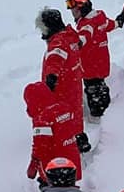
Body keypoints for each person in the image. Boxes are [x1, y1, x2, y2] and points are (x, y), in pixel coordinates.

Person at [36, 8, 89, 153]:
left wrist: (50, 79)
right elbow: (78, 43)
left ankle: (65, 144)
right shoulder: (70, 35)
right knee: (76, 110)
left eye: (43, 29)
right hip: (74, 82)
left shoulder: (57, 43)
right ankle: (79, 137)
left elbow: (55, 59)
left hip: (61, 86)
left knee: (61, 115)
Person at [67, 0, 117, 119]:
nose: (73, 13)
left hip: (90, 67)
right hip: (102, 63)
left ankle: (98, 119)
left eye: (75, 11)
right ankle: (108, 112)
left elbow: (84, 36)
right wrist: (118, 22)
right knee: (101, 88)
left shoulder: (86, 24)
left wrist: (74, 42)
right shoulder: (100, 18)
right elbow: (111, 25)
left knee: (94, 93)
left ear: (82, 10)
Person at [23, 81, 82, 186]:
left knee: (53, 190)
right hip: (71, 159)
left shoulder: (42, 119)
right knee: (69, 187)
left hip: (54, 166)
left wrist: (33, 165)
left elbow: (41, 146)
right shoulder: (64, 108)